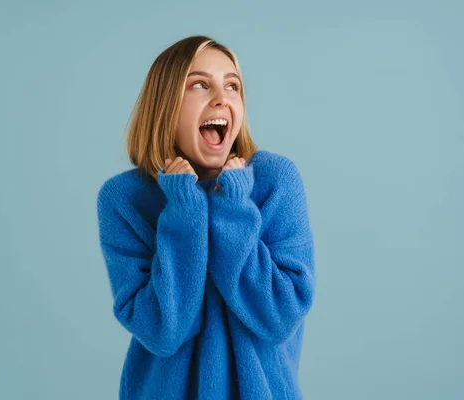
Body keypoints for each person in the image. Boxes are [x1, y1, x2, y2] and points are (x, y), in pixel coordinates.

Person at [96, 35, 316, 399]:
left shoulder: (276, 180)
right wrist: (184, 211)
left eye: (233, 86)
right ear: (165, 103)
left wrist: (233, 208)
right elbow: (163, 331)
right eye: (199, 84)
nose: (221, 98)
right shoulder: (124, 200)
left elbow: (278, 317)